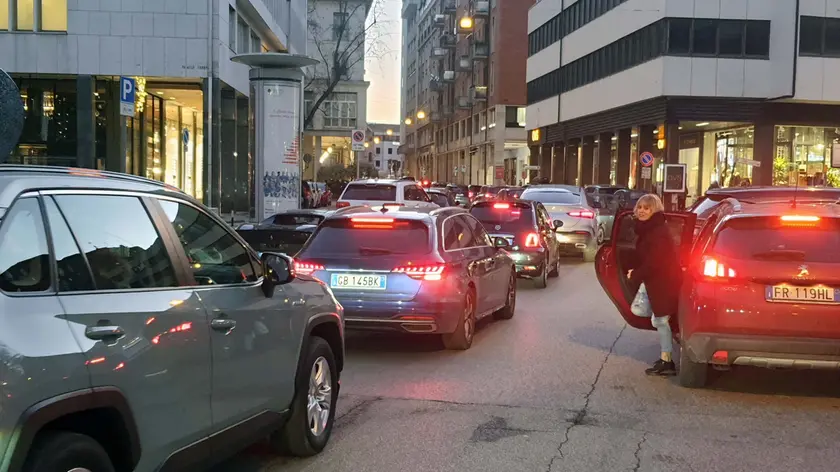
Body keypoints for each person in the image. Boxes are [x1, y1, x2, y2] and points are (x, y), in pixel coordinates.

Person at [627, 194, 682, 376]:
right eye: (640, 207)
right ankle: (666, 358)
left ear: (655, 210)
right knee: (659, 319)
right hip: (656, 280)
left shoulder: (657, 231)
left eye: (647, 208)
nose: (642, 211)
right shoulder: (647, 228)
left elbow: (655, 261)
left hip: (663, 281)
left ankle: (667, 361)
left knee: (660, 319)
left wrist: (635, 274)